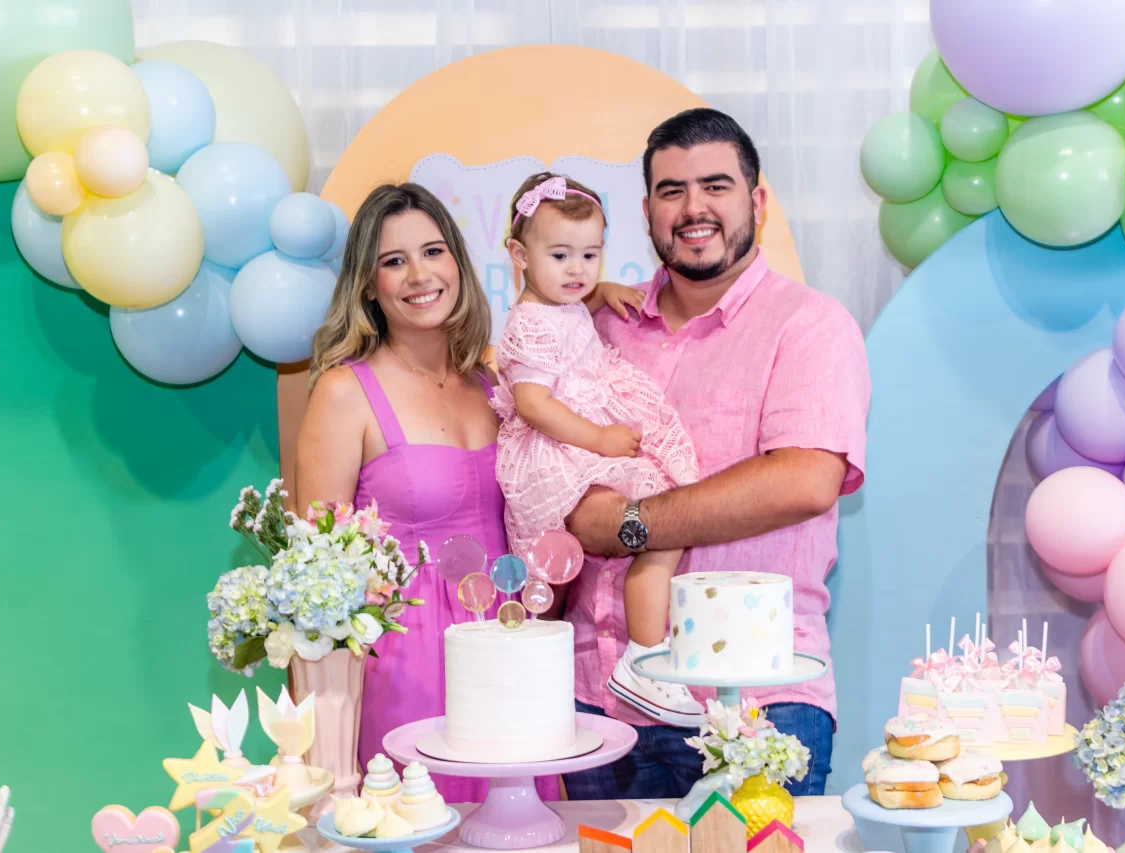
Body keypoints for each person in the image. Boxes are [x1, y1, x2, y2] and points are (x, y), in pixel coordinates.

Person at [559, 108, 871, 799]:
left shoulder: (809, 325)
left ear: (757, 203)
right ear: (647, 211)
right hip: (594, 700)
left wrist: (630, 525)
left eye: (716, 186)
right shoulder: (597, 326)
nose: (693, 208)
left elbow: (804, 479)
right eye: (672, 190)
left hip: (754, 702)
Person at [293, 183, 556, 804]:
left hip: (506, 642)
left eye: (433, 251)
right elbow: (315, 578)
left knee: (517, 824)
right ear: (368, 285)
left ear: (457, 263)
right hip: (404, 660)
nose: (419, 275)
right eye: (394, 260)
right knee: (416, 820)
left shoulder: (494, 384)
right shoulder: (343, 392)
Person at [492, 171, 704, 727]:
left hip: (576, 437)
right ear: (519, 255)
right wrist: (601, 439)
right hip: (559, 447)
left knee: (561, 581)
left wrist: (599, 293)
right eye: (560, 255)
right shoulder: (529, 325)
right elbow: (533, 403)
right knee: (659, 523)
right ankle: (644, 657)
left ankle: (590, 662)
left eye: (590, 256)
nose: (578, 270)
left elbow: (572, 308)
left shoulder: (560, 305)